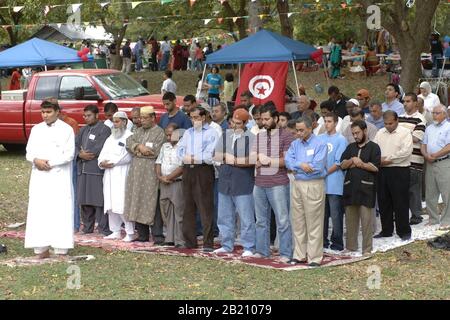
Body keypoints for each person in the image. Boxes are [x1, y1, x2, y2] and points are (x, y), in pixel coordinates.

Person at [24, 100, 75, 259]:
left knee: (59, 209)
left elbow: (69, 154)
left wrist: (49, 163)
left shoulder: (67, 129)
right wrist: (36, 160)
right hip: (40, 177)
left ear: (57, 112)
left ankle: (61, 248)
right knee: (39, 210)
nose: (45, 115)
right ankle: (41, 248)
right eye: (43, 112)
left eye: (49, 112)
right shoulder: (36, 129)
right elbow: (28, 152)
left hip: (58, 176)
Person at [251, 102, 294, 263]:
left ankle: (285, 253)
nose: (264, 122)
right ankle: (262, 251)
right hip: (259, 182)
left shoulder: (286, 136)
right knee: (261, 220)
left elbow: (288, 161)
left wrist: (268, 161)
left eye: (267, 119)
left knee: (282, 220)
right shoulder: (260, 136)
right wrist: (257, 160)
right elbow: (253, 156)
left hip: (278, 183)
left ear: (275, 118)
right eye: (262, 119)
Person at [285, 116, 328, 266]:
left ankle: (315, 257)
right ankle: (299, 254)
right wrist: (301, 165)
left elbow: (317, 167)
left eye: (302, 130)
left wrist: (298, 168)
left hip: (313, 184)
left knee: (314, 222)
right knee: (298, 221)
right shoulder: (295, 144)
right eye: (297, 130)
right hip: (297, 184)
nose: (299, 133)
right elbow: (288, 161)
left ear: (310, 128)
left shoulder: (320, 144)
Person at [213, 108, 256, 257]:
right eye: (232, 122)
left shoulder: (252, 138)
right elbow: (216, 155)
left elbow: (252, 160)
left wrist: (235, 161)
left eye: (238, 123)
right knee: (224, 216)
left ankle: (249, 246)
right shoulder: (225, 135)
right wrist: (227, 158)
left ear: (245, 123)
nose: (234, 126)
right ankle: (226, 244)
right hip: (225, 181)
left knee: (246, 217)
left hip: (243, 182)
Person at [177, 106, 219, 251]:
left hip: (203, 171)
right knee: (187, 206)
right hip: (188, 171)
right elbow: (180, 151)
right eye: (191, 118)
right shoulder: (188, 133)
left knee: (205, 207)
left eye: (196, 117)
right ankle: (189, 241)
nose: (194, 120)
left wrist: (192, 158)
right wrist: (188, 158)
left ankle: (208, 242)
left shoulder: (212, 133)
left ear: (203, 117)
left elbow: (209, 156)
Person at [124, 106, 165, 242]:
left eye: (145, 118)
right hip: (136, 172)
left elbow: (155, 151)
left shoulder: (160, 133)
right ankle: (142, 235)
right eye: (141, 118)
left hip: (150, 173)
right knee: (137, 200)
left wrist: (137, 150)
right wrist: (139, 147)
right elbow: (128, 142)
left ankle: (157, 235)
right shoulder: (138, 131)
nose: (142, 121)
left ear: (153, 118)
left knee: (152, 202)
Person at [340, 120, 381, 255]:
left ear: (365, 131)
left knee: (366, 221)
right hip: (350, 187)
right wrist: (352, 161)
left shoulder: (374, 147)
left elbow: (375, 167)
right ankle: (351, 246)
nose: (355, 136)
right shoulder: (351, 147)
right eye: (353, 134)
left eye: (357, 133)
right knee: (350, 220)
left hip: (366, 188)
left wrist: (361, 164)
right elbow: (342, 164)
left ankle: (367, 249)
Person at [373, 110, 413, 240]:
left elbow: (406, 152)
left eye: (390, 123)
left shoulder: (405, 133)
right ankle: (386, 230)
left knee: (400, 201)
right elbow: (374, 149)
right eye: (385, 123)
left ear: (397, 121)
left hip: (399, 170)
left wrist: (389, 159)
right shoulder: (380, 133)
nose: (388, 126)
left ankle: (404, 231)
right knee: (384, 201)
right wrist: (379, 160)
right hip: (383, 170)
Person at [98, 111, 135, 241]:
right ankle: (115, 231)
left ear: (124, 122)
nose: (115, 124)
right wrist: (102, 163)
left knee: (122, 202)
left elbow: (128, 156)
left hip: (122, 172)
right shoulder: (110, 137)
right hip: (109, 173)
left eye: (117, 121)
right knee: (110, 203)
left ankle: (130, 232)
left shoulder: (130, 136)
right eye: (114, 121)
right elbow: (103, 153)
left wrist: (111, 163)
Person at [76, 105, 111, 236]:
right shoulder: (83, 129)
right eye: (84, 116)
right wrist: (79, 154)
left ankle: (103, 228)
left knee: (98, 200)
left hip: (95, 169)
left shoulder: (105, 129)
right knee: (84, 200)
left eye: (89, 115)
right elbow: (74, 145)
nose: (86, 118)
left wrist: (86, 154)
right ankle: (87, 227)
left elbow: (100, 147)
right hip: (82, 170)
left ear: (97, 115)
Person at [319, 113, 347, 251]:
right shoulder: (319, 138)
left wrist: (324, 173)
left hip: (334, 182)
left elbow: (338, 162)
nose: (327, 124)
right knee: (322, 215)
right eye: (325, 121)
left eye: (329, 121)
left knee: (336, 215)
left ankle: (337, 241)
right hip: (321, 184)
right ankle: (323, 240)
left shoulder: (341, 140)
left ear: (335, 123)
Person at [398, 93, 427, 225]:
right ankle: (401, 214)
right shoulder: (399, 118)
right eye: (404, 101)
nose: (405, 104)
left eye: (408, 101)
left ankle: (416, 215)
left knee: (413, 190)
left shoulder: (421, 119)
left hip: (414, 160)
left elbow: (416, 138)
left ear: (415, 103)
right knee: (400, 189)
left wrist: (400, 135)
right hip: (399, 159)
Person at [421, 105, 450, 230]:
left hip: (444, 162)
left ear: (444, 114)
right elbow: (423, 144)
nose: (434, 115)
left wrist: (435, 155)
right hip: (430, 162)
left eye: (437, 113)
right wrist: (426, 155)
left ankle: (447, 219)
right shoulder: (429, 128)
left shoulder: (448, 127)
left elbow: (449, 146)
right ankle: (433, 218)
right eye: (433, 113)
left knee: (446, 192)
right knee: (430, 192)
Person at [155, 123, 185, 247]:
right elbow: (158, 162)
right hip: (164, 183)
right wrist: (160, 177)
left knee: (179, 212)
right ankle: (170, 238)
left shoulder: (183, 146)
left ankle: (180, 240)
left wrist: (168, 177)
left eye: (170, 135)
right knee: (165, 210)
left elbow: (182, 166)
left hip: (177, 182)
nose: (168, 138)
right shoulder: (164, 146)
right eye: (166, 135)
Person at [59, 105, 80, 232]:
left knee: (72, 192)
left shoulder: (70, 124)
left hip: (69, 161)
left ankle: (75, 224)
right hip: (54, 164)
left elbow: (74, 144)